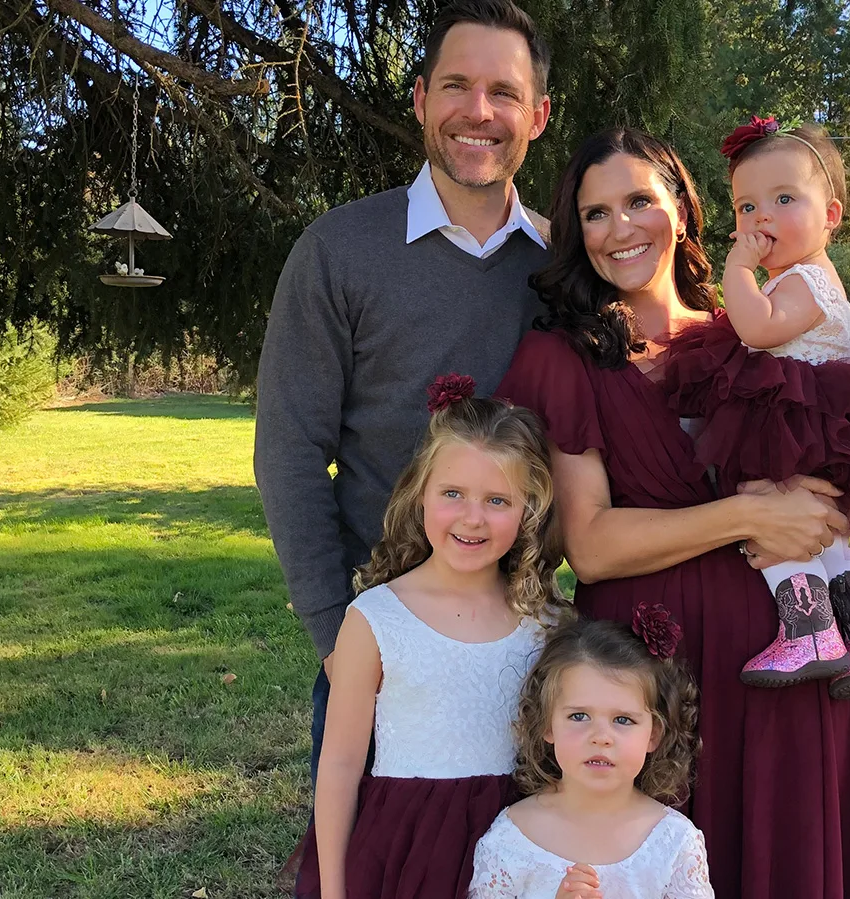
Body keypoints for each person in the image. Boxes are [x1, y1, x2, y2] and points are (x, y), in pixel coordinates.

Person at [496, 127, 850, 898]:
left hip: (790, 659)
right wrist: (747, 514)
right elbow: (592, 545)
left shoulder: (752, 323)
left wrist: (829, 510)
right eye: (595, 213)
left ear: (681, 206)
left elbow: (838, 469)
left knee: (788, 859)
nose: (621, 227)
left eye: (639, 199)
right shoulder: (564, 356)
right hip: (651, 678)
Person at [252, 0, 553, 857]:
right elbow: (288, 452)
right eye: (456, 85)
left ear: (535, 115)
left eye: (504, 91)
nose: (478, 111)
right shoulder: (340, 251)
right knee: (377, 867)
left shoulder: (563, 268)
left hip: (526, 650)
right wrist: (331, 635)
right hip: (378, 648)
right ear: (421, 99)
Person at [664, 116, 850, 697]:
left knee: (765, 509)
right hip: (823, 421)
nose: (760, 218)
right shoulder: (808, 276)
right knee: (827, 536)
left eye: (783, 198)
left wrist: (738, 269)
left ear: (831, 216)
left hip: (799, 422)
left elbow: (758, 330)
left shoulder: (804, 282)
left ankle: (811, 630)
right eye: (745, 207)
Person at [294, 376, 570, 899]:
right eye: (452, 494)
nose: (472, 517)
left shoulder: (549, 625)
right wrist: (333, 890)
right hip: (407, 846)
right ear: (420, 494)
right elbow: (340, 764)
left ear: (529, 508)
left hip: (519, 844)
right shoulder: (376, 618)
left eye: (497, 500)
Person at [468, 608, 712, 899]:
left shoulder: (674, 841)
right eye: (579, 716)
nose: (600, 737)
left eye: (623, 720)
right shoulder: (511, 838)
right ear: (547, 724)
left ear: (653, 735)